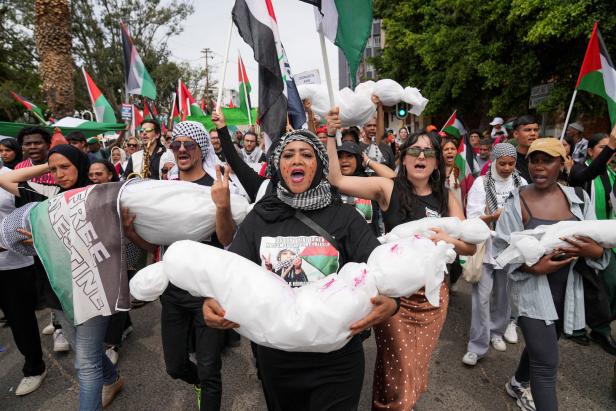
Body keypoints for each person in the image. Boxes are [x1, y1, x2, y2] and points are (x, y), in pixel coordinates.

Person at [203, 128, 399, 411]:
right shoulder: (260, 217)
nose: (296, 160)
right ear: (278, 166)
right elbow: (232, 271)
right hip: (278, 359)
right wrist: (213, 301)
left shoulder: (345, 217)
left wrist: (393, 303)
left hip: (337, 361)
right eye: (288, 154)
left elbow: (382, 270)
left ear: (319, 165)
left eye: (306, 154)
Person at [325, 108, 476, 410]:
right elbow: (338, 179)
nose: (421, 157)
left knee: (411, 365)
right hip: (395, 298)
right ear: (404, 157)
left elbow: (469, 248)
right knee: (402, 365)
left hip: (433, 299)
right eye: (415, 151)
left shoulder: (447, 198)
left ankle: (389, 404)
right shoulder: (387, 187)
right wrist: (330, 135)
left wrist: (447, 239)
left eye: (428, 152)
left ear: (436, 162)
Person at [0, 144, 124, 410]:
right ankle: (113, 379)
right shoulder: (49, 197)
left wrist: (50, 239)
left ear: (80, 165)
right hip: (56, 290)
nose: (59, 174)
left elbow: (112, 243)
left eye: (65, 167)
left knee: (86, 363)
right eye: (54, 169)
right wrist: (52, 160)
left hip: (92, 288)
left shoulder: (98, 196)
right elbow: (4, 178)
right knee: (83, 349)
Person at [493, 138, 610, 411]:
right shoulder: (517, 202)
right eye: (535, 160)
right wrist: (534, 267)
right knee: (546, 365)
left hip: (567, 291)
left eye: (548, 160)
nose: (539, 167)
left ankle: (516, 383)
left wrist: (593, 251)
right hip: (531, 292)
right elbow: (501, 250)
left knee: (541, 345)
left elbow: (599, 245)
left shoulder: (579, 199)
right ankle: (529, 393)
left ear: (562, 163)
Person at [124, 121, 233, 411]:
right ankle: (197, 381)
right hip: (171, 292)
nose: (181, 149)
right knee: (174, 365)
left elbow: (227, 238)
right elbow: (156, 246)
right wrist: (132, 232)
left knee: (211, 368)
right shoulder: (164, 189)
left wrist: (222, 207)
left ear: (202, 149)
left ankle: (207, 389)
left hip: (208, 291)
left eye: (189, 144)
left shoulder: (217, 186)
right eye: (176, 145)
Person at [462, 143, 527, 366]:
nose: (507, 168)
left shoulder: (522, 184)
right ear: (493, 162)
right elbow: (472, 217)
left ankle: (496, 332)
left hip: (509, 250)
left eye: (511, 163)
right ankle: (476, 346)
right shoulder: (481, 184)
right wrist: (493, 217)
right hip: (487, 249)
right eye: (503, 164)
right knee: (481, 300)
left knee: (504, 297)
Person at [567, 128, 616, 354]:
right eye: (603, 148)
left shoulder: (612, 174)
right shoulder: (579, 170)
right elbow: (588, 174)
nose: (609, 153)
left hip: (609, 239)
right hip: (586, 237)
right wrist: (612, 145)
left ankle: (599, 323)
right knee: (593, 286)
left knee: (609, 285)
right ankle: (599, 329)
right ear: (589, 151)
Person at [0, 163, 45, 396]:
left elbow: (32, 214)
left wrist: (6, 243)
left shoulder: (8, 177)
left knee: (21, 321)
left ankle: (34, 368)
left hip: (13, 264)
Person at [512, 115, 540, 183]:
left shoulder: (543, 156)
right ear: (516, 134)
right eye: (527, 130)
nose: (533, 133)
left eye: (535, 130)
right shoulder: (509, 158)